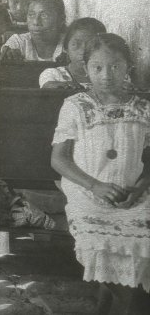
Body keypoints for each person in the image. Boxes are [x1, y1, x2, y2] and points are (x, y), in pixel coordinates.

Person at [50, 33, 150, 314]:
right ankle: (127, 305)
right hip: (86, 192)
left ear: (127, 67)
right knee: (103, 246)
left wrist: (140, 189)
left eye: (115, 67)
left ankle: (117, 305)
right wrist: (94, 186)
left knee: (140, 245)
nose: (107, 75)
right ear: (86, 68)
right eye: (98, 67)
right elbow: (58, 159)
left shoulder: (143, 108)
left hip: (132, 195)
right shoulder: (76, 106)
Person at [40, 18, 106, 89]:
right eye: (76, 44)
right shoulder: (54, 74)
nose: (83, 51)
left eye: (91, 45)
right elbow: (48, 85)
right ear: (66, 48)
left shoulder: (107, 75)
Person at [1, 0, 66, 61]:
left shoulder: (69, 44)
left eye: (44, 16)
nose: (36, 22)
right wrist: (8, 53)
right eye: (31, 15)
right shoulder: (19, 41)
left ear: (61, 20)